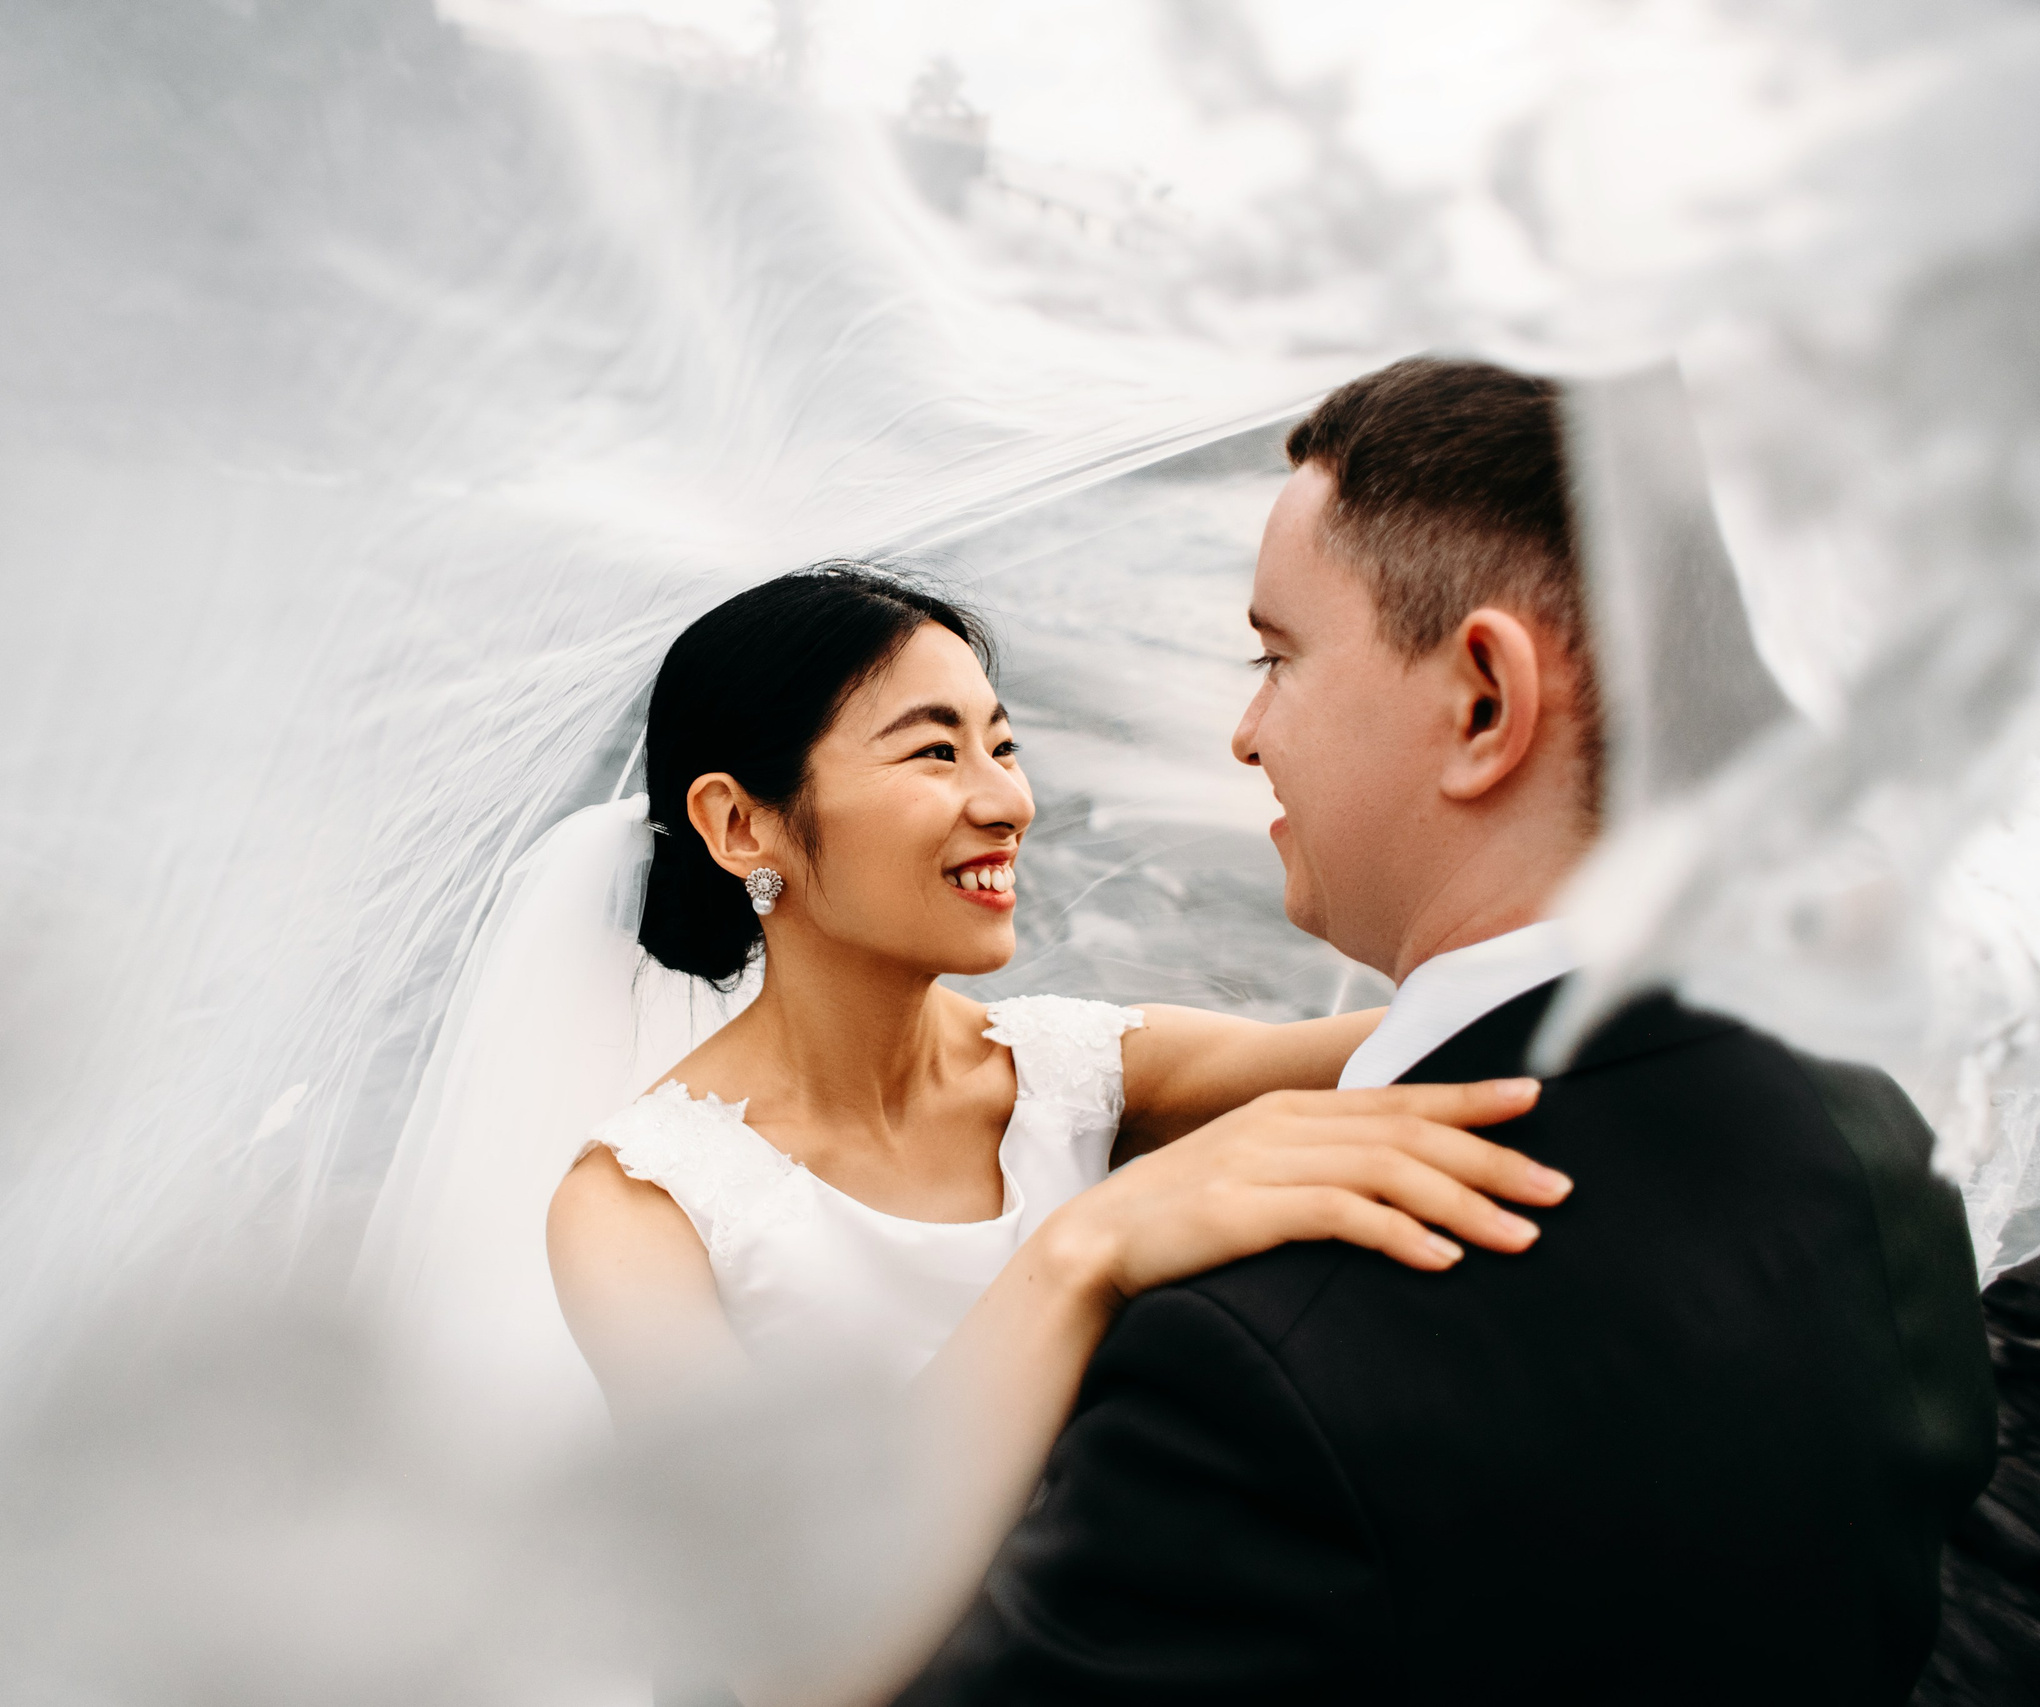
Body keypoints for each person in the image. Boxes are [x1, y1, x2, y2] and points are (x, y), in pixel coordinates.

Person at [894, 356, 2000, 1705]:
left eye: (1277, 655)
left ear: (1484, 702)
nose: (1246, 734)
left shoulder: (1260, 1365)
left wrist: (1078, 1254)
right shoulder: (1867, 1140)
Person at [544, 562, 1571, 1696]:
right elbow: (789, 1652)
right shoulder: (638, 1208)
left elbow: (1452, 1031)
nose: (1006, 800)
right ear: (741, 824)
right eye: (934, 752)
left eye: (1003, 744)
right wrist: (1085, 1251)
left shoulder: (1075, 1072)